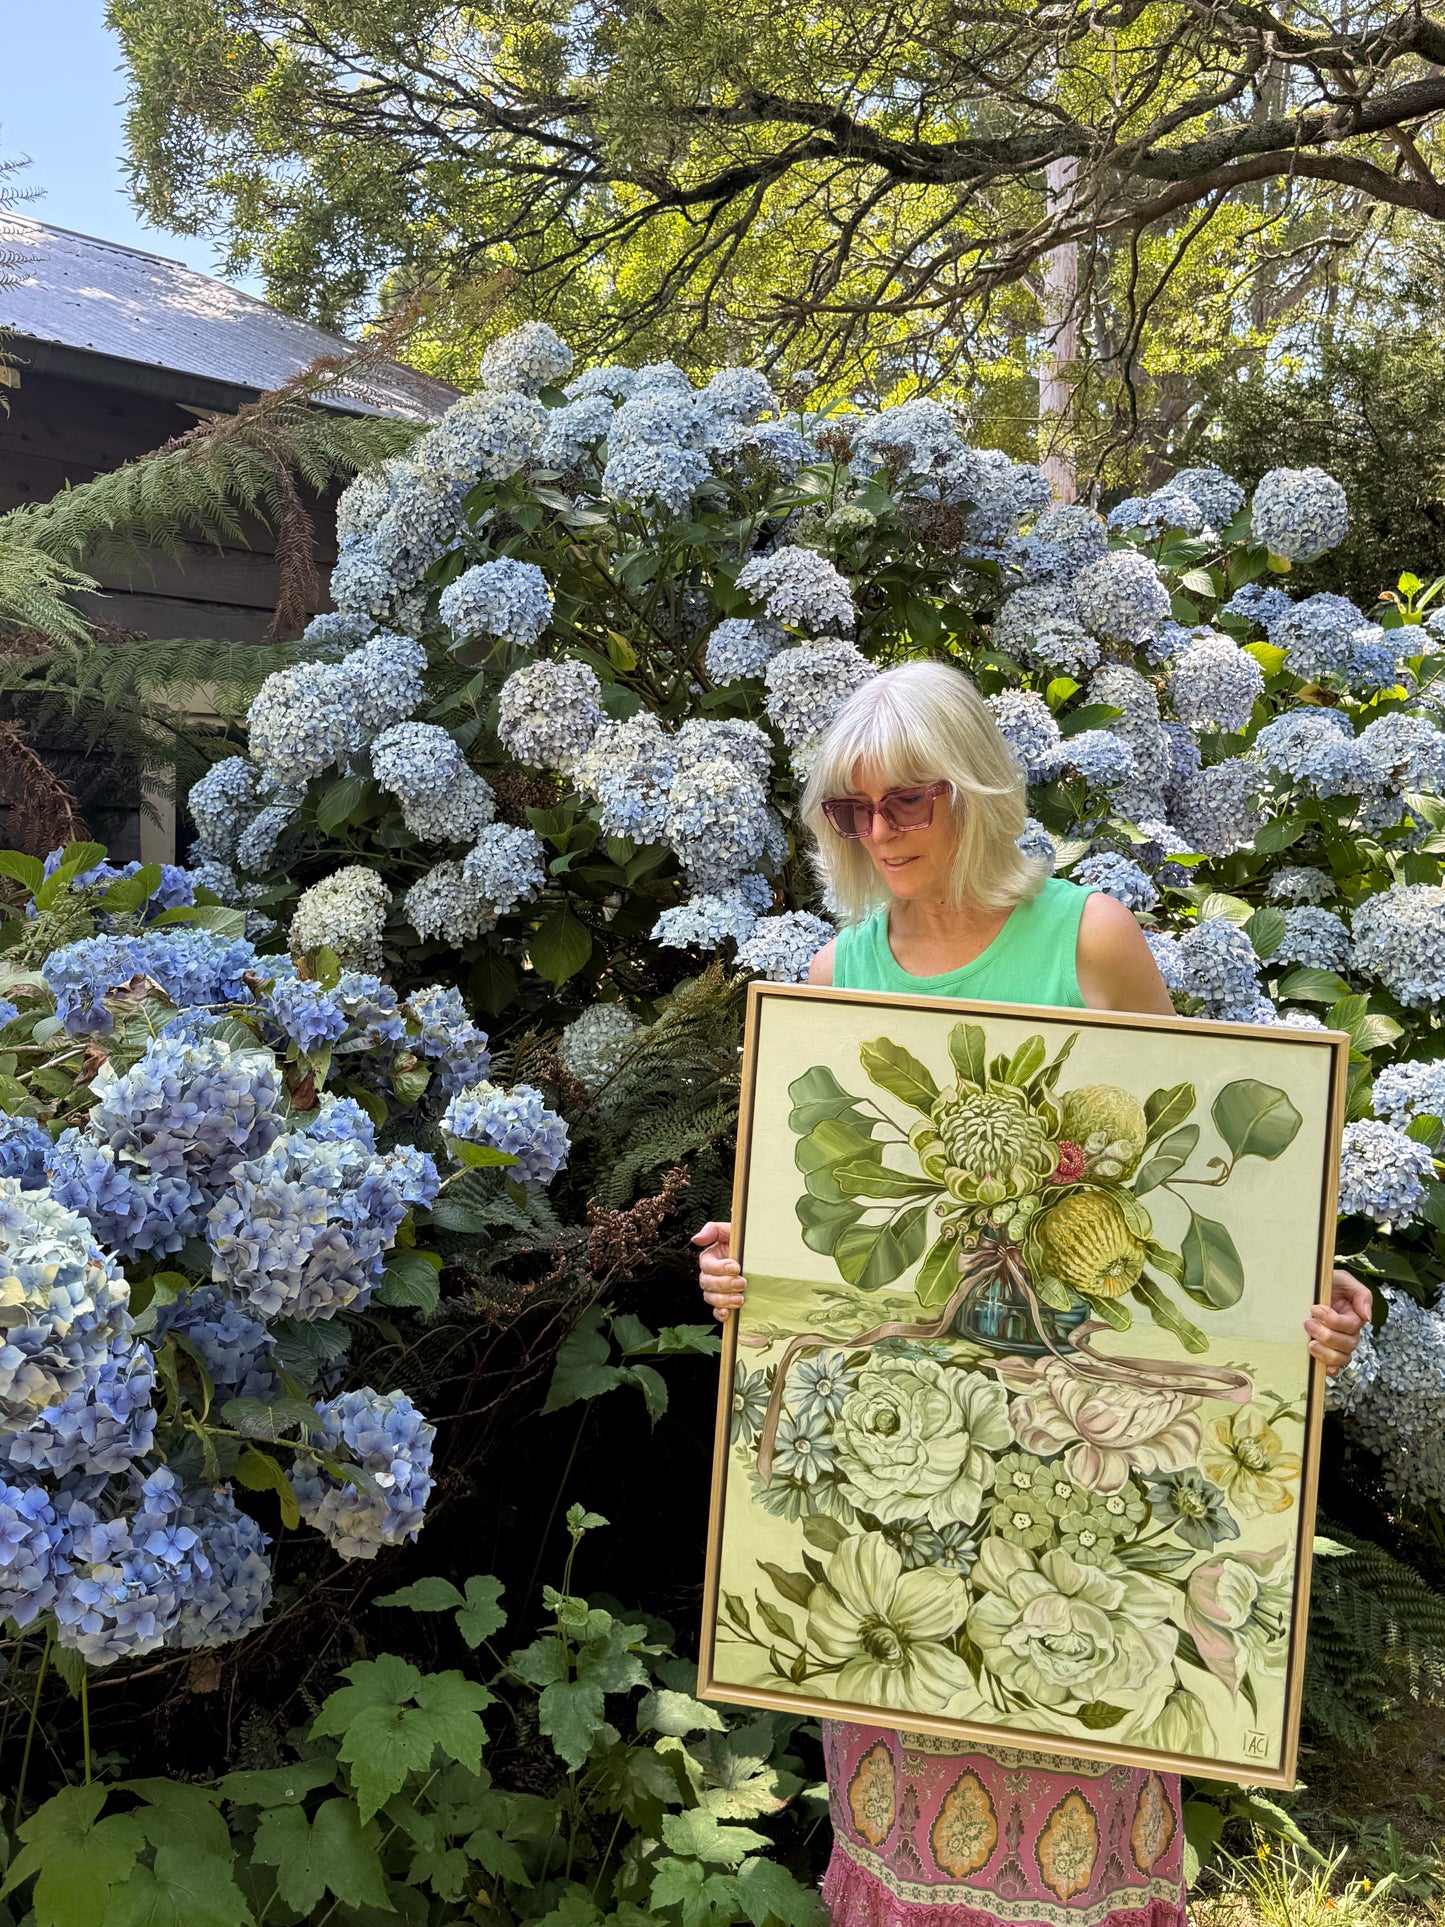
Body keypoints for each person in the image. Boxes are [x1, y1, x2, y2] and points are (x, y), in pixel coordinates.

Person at [693, 661, 1369, 1927]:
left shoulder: (1087, 936)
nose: (882, 833)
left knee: (1083, 1792)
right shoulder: (838, 979)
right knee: (907, 1802)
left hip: (1092, 1456)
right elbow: (828, 1261)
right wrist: (746, 1273)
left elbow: (1193, 1204)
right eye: (852, 812)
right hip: (909, 1482)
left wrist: (1308, 1300)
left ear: (976, 794)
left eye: (909, 801)